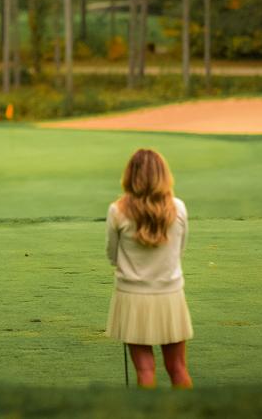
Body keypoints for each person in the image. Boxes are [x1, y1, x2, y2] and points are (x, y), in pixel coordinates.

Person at [105, 148, 193, 389]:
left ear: (130, 175)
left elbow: (112, 256)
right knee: (178, 369)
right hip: (170, 295)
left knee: (145, 371)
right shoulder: (179, 208)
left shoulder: (117, 210)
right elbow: (180, 252)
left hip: (132, 297)